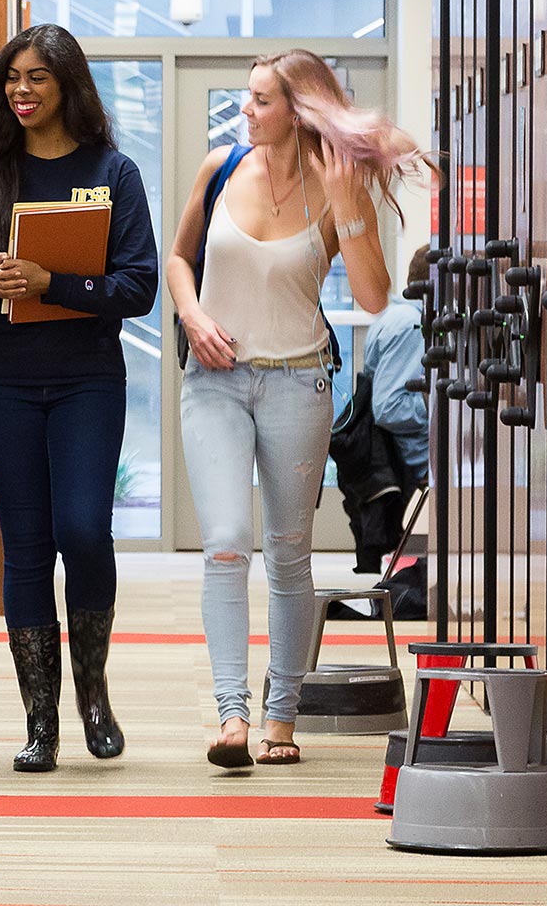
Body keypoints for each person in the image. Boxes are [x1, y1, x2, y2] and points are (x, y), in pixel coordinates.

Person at [168, 49, 432, 769]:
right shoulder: (221, 167)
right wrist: (192, 316)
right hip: (215, 383)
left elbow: (378, 300)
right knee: (225, 542)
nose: (245, 111)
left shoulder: (332, 187)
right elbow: (177, 257)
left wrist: (349, 213)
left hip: (299, 384)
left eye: (259, 100)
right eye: (247, 98)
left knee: (288, 553)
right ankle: (231, 717)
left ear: (298, 111)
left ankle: (280, 716)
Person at [0, 24, 159, 773]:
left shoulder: (113, 171)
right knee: (27, 547)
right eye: (12, 78)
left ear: (70, 86)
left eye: (38, 77)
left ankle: (91, 689)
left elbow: (139, 286)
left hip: (87, 380)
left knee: (84, 531)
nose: (22, 91)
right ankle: (43, 723)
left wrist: (52, 284)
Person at [362, 245, 432, 487]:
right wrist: (436, 400)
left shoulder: (397, 315)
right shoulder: (411, 325)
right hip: (419, 458)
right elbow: (389, 410)